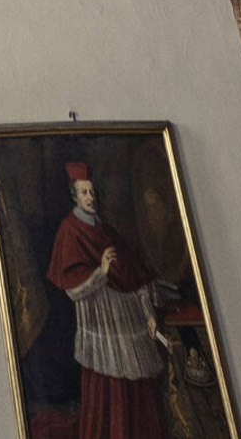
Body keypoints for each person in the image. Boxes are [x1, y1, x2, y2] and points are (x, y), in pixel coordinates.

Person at [45, 162, 168, 439]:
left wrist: (148, 313)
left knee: (139, 395)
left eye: (92, 192)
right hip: (101, 324)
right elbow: (72, 290)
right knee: (110, 397)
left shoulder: (106, 230)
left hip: (129, 321)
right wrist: (101, 272)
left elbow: (134, 276)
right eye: (84, 192)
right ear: (74, 196)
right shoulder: (69, 231)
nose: (90, 197)